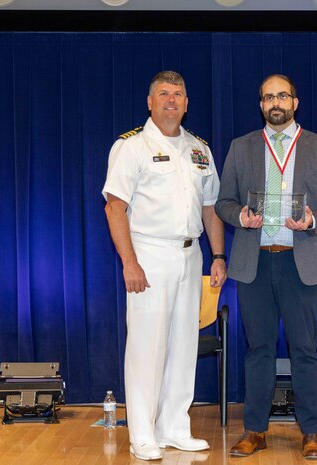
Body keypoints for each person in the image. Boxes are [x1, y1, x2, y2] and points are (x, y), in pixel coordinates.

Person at [215, 74, 317, 460]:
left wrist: (312, 221)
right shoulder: (241, 148)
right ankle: (254, 430)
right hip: (254, 262)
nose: (276, 102)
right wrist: (240, 215)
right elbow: (223, 201)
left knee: (305, 350)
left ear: (295, 101)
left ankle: (311, 433)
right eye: (269, 96)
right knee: (258, 350)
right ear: (260, 104)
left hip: (300, 262)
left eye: (283, 95)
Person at [102, 70, 227, 461]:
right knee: (147, 346)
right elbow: (115, 207)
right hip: (149, 253)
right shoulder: (131, 147)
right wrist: (130, 263)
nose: (171, 100)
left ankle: (174, 427)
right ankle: (142, 433)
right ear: (150, 102)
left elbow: (211, 209)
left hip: (192, 256)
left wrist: (219, 256)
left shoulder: (199, 149)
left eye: (178, 94)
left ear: (187, 103)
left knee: (183, 345)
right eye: (163, 94)